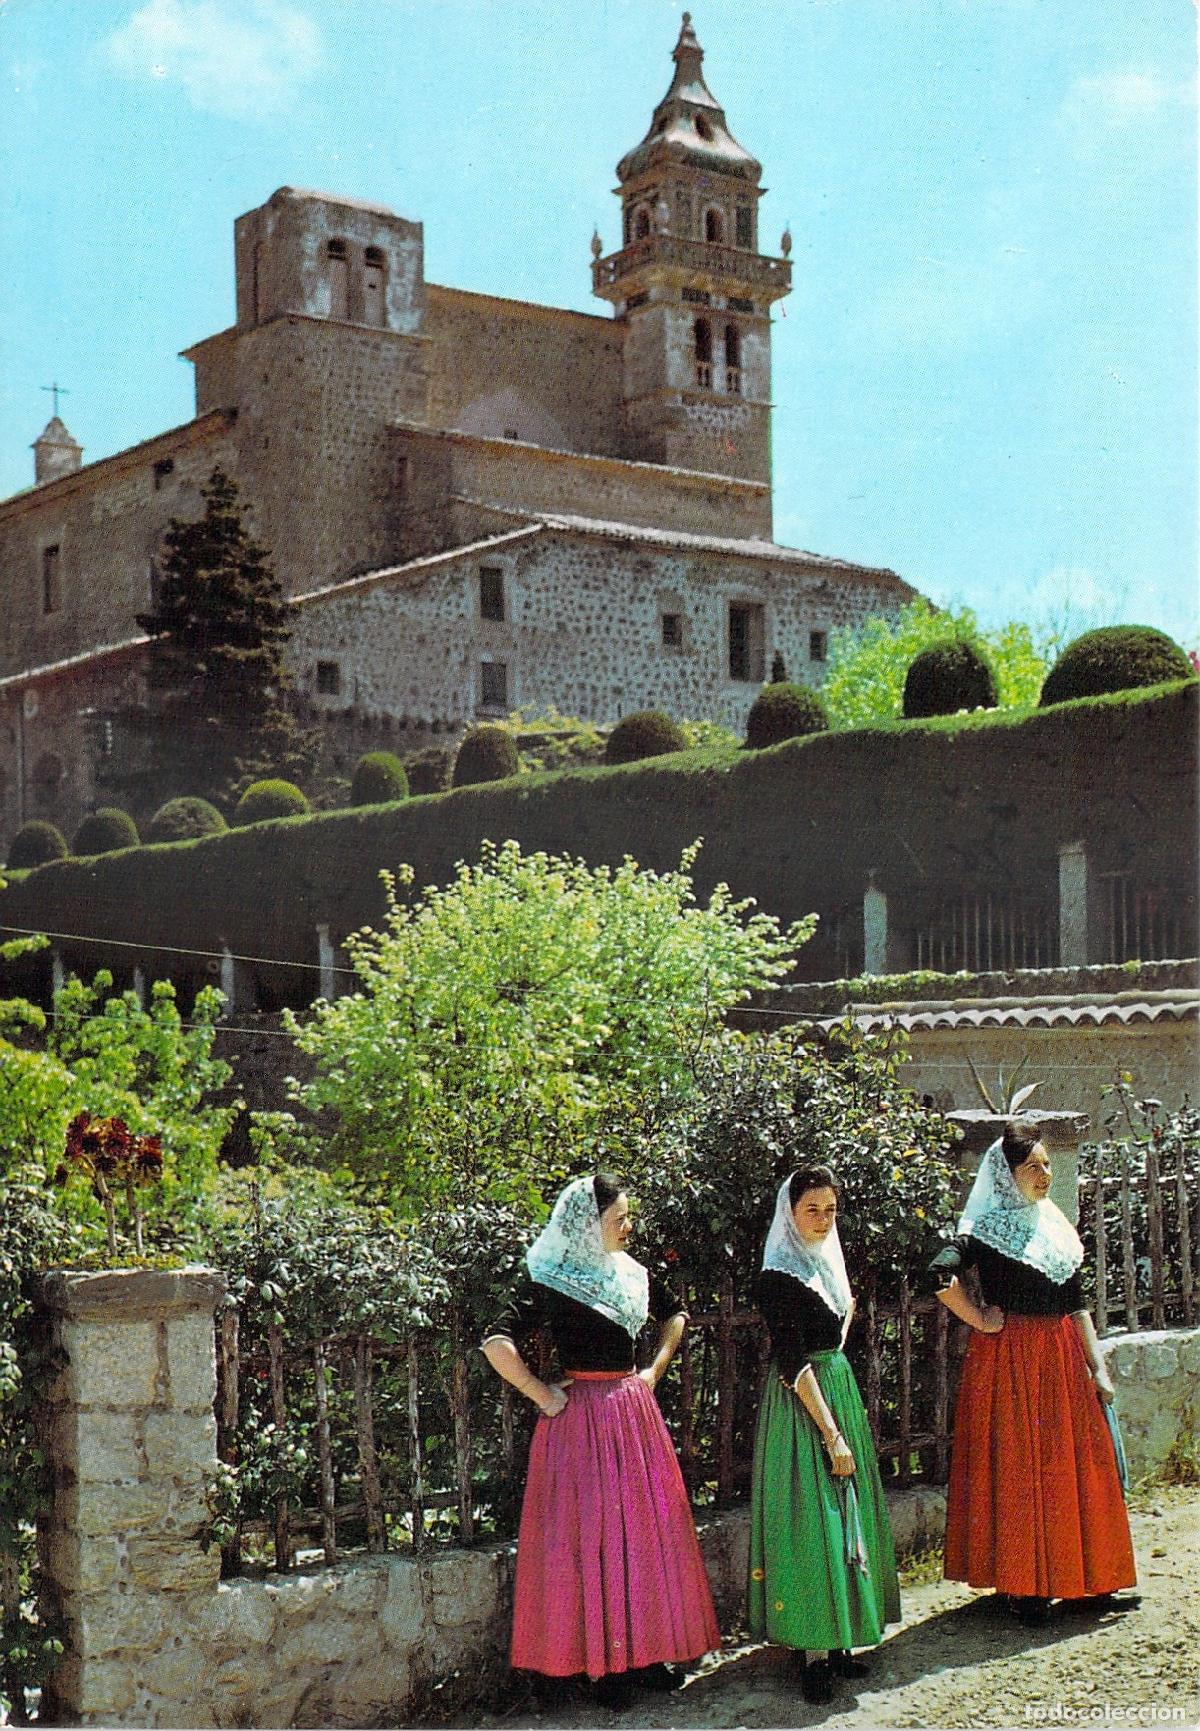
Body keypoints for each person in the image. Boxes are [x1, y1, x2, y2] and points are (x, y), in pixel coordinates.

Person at [481, 1172, 720, 1710]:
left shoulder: (631, 1274)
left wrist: (654, 1370)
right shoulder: (550, 1276)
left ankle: (642, 1657)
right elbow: (496, 1342)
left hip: (633, 1415)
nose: (629, 1227)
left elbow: (675, 1313)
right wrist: (541, 1394)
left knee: (642, 1533)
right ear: (588, 1225)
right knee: (593, 1539)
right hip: (581, 1425)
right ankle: (602, 1668)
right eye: (619, 1219)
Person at [931, 1120, 1137, 1624]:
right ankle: (1024, 1587)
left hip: (1062, 1357)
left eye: (1047, 1164)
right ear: (1007, 1175)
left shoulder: (1053, 1225)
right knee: (1021, 1468)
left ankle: (1089, 1581)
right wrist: (979, 1317)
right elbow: (938, 1274)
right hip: (1012, 1361)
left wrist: (1098, 1367)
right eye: (1032, 1167)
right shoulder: (982, 1229)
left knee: (1076, 1466)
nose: (1044, 1174)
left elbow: (1075, 1304)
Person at [748, 1166, 901, 1704]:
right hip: (803, 1404)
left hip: (837, 1385)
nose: (822, 1219)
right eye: (811, 1209)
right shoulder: (776, 1277)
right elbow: (791, 1361)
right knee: (812, 1521)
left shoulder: (829, 1265)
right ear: (789, 1213)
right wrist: (833, 1435)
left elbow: (840, 1325)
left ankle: (841, 1641)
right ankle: (810, 1651)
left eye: (830, 1209)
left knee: (847, 1514)